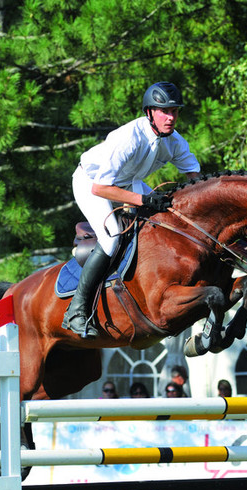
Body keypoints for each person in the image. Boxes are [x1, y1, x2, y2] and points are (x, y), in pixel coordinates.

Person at [63, 82, 201, 338]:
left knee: (167, 218)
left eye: (174, 111)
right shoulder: (129, 138)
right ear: (149, 112)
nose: (170, 117)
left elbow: (195, 177)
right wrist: (142, 200)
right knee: (112, 237)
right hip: (90, 181)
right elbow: (101, 188)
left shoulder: (174, 141)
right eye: (164, 112)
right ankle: (76, 310)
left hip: (127, 183)